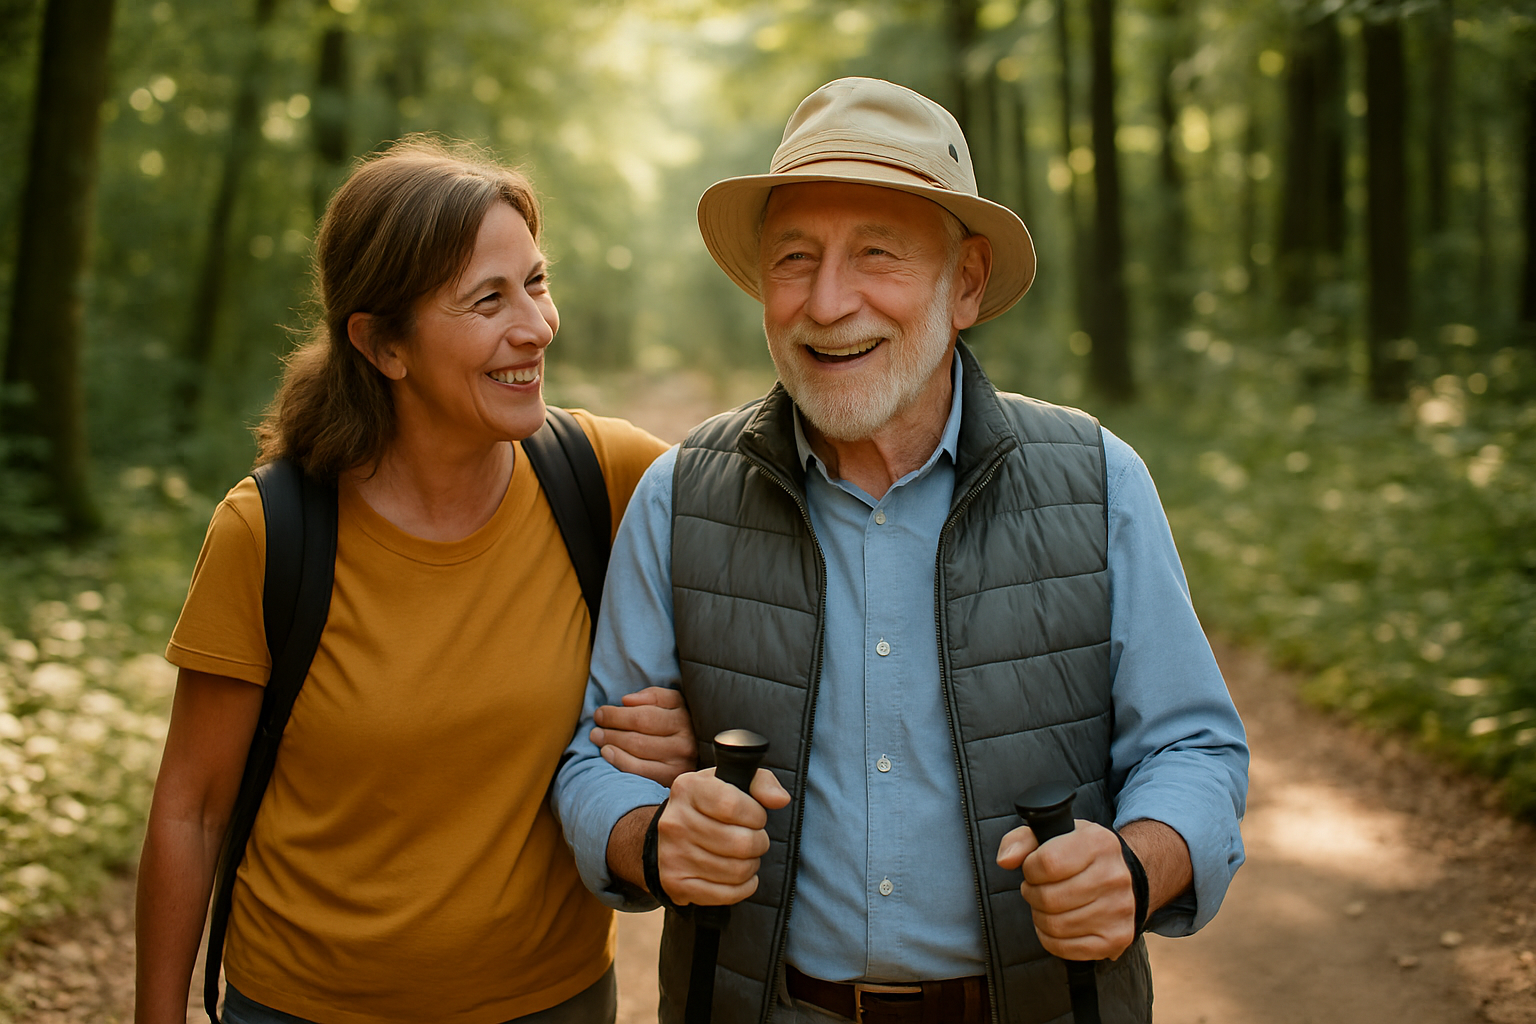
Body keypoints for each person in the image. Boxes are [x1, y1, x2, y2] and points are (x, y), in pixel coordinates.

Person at [554, 78, 1249, 1024]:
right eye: (795, 258)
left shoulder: (1097, 479)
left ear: (963, 284)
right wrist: (649, 835)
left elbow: (1194, 746)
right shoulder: (680, 495)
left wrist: (1133, 864)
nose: (828, 302)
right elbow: (592, 764)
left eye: (875, 254)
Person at [135, 139, 695, 1024]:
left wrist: (689, 718)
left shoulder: (609, 475)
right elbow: (191, 808)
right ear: (382, 344)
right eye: (488, 300)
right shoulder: (271, 531)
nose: (537, 326)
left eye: (537, 283)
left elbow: (769, 583)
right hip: (301, 1007)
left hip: (551, 1002)